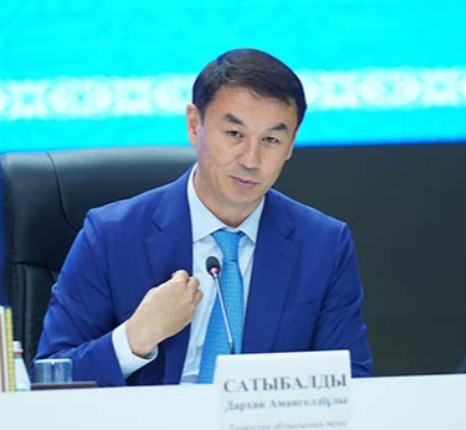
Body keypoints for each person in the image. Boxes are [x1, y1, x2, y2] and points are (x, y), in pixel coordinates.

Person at [35, 48, 373, 386]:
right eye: (234, 134)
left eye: (271, 140)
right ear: (195, 125)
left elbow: (351, 383)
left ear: (291, 144)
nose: (251, 160)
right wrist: (135, 338)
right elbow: (51, 378)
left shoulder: (323, 245)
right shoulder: (111, 235)